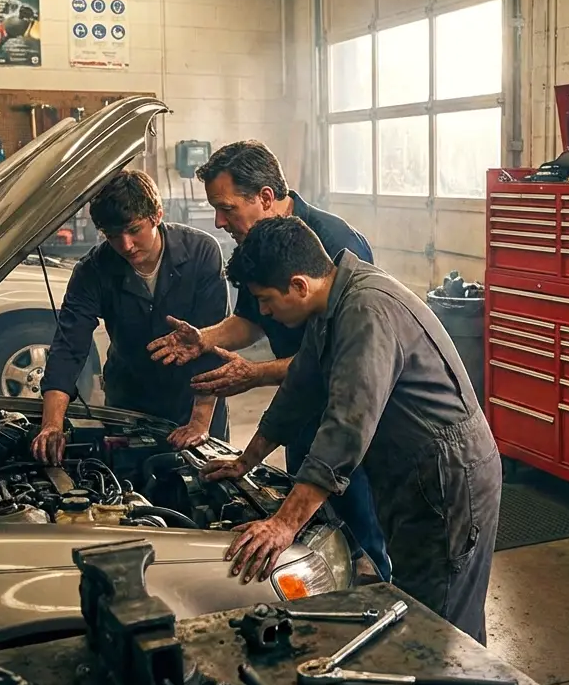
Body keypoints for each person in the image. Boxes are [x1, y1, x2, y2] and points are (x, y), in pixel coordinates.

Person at [199, 217, 501, 644]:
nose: (263, 312)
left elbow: (346, 427)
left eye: (265, 300)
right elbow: (299, 389)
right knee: (420, 605)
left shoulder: (365, 311)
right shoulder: (331, 304)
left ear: (299, 285)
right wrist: (247, 461)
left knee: (444, 628)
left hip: (447, 477)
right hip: (414, 472)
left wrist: (284, 524)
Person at [146, 141, 391, 582]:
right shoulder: (260, 244)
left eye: (225, 208)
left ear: (263, 197)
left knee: (357, 527)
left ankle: (371, 588)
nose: (219, 221)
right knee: (314, 522)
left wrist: (256, 374)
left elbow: (333, 362)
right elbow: (251, 319)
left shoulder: (332, 244)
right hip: (302, 404)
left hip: (346, 409)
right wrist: (204, 338)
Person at [32, 171, 229, 466]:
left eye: (134, 229)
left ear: (157, 215)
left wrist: (200, 422)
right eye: (112, 236)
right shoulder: (92, 272)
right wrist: (51, 424)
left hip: (195, 399)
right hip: (129, 402)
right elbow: (68, 348)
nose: (125, 245)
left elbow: (214, 341)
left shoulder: (201, 252)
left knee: (207, 494)